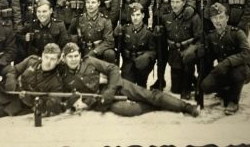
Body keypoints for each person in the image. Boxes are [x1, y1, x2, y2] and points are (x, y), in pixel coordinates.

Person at [60, 43, 199, 117]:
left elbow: (113, 69)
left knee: (148, 95)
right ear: (64, 58)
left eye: (76, 56)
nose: (73, 59)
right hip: (102, 100)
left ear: (80, 55)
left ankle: (186, 107)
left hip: (115, 86)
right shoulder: (63, 75)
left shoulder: (89, 61)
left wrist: (110, 89)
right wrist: (89, 102)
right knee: (129, 110)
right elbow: (71, 97)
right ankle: (161, 104)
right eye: (70, 57)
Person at [192, 3, 250, 115]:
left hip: (243, 69)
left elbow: (248, 54)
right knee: (206, 85)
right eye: (215, 18)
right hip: (224, 70)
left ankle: (233, 101)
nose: (218, 21)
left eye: (221, 17)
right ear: (211, 20)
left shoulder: (237, 33)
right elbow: (208, 61)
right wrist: (201, 53)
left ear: (227, 18)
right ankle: (226, 91)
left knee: (237, 72)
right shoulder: (211, 37)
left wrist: (228, 62)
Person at [149, 0, 196, 90]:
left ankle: (188, 79)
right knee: (160, 49)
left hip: (178, 15)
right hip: (161, 14)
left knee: (179, 47)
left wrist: (190, 7)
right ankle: (160, 79)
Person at [161, 0, 202, 99]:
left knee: (188, 62)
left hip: (189, 51)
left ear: (184, 3)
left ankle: (189, 86)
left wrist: (192, 49)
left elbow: (199, 39)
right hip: (174, 53)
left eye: (177, 2)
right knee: (175, 89)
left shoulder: (193, 17)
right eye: (172, 2)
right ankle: (191, 79)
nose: (174, 5)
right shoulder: (166, 17)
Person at [113, 3, 156, 88]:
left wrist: (145, 58)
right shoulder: (126, 29)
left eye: (138, 15)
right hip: (128, 62)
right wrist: (116, 34)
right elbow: (117, 45)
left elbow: (153, 51)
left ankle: (142, 81)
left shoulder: (148, 32)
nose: (135, 18)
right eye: (133, 15)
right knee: (126, 88)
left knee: (140, 87)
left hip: (142, 64)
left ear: (143, 15)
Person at [68, 0, 116, 64]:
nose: (90, 5)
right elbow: (68, 36)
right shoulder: (78, 19)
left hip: (98, 52)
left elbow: (109, 41)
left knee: (110, 53)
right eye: (88, 2)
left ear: (98, 3)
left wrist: (95, 51)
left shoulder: (105, 20)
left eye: (93, 2)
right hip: (82, 50)